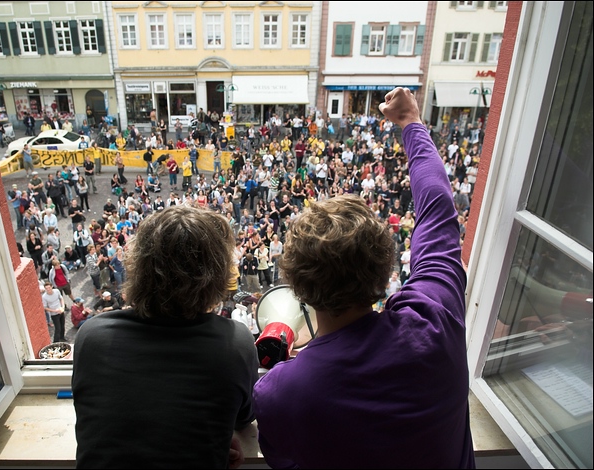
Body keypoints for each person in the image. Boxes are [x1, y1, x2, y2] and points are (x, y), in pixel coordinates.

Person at [252, 87, 474, 468]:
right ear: (386, 268)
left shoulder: (281, 392)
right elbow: (438, 209)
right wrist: (410, 122)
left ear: (299, 288)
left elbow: (282, 457)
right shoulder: (435, 320)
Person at [73, 205, 259, 468]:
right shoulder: (235, 342)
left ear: (138, 266)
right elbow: (243, 417)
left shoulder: (91, 336)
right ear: (215, 276)